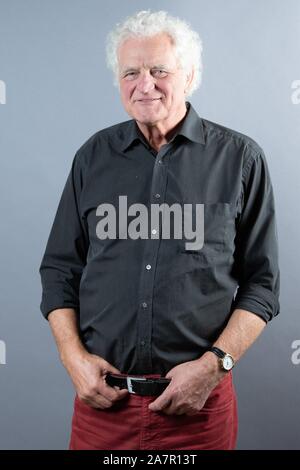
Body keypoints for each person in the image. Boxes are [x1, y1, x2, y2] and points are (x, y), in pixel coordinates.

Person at [39, 10, 280, 450]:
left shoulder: (240, 159)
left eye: (159, 70)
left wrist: (213, 367)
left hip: (198, 407)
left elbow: (263, 286)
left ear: (189, 75)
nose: (144, 84)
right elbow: (58, 270)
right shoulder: (92, 157)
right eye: (130, 72)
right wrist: (71, 357)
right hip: (103, 407)